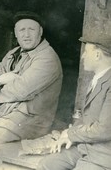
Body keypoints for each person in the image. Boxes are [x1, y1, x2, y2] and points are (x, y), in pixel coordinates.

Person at [0, 11, 63, 143]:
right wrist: (1, 79)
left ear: (40, 32)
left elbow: (21, 90)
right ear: (16, 33)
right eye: (22, 30)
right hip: (5, 112)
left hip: (31, 120)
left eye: (31, 29)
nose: (26, 35)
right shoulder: (14, 52)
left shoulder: (47, 57)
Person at [37, 36, 111, 170]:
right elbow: (86, 116)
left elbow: (105, 129)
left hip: (104, 155)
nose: (82, 56)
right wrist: (68, 135)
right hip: (85, 146)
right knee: (46, 164)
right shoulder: (98, 78)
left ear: (97, 55)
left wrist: (71, 134)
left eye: (86, 52)